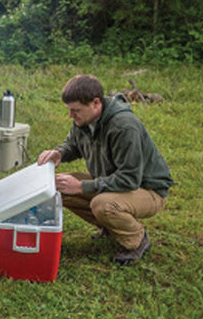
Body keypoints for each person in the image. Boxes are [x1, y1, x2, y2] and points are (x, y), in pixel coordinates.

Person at [37, 74, 173, 265]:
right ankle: (111, 227)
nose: (70, 116)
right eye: (69, 110)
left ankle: (137, 240)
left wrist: (82, 186)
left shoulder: (124, 127)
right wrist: (59, 153)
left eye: (75, 110)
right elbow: (73, 144)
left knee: (103, 205)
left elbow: (130, 178)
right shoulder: (83, 120)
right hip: (116, 183)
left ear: (95, 103)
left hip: (148, 190)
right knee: (58, 185)